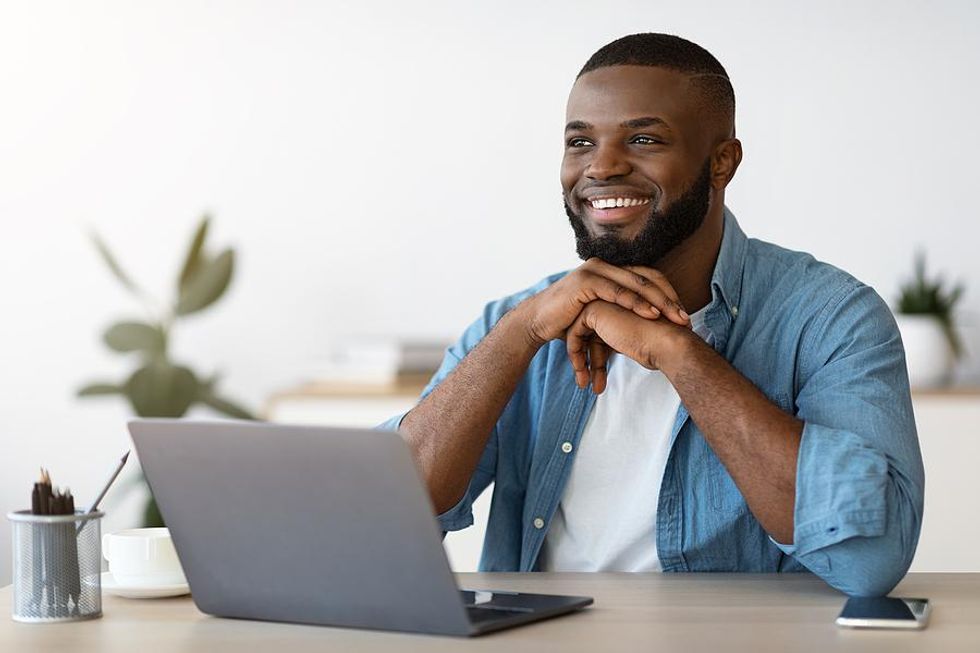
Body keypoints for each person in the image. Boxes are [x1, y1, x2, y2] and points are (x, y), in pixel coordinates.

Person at [380, 33, 924, 597]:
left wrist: (678, 353)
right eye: (580, 142)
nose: (602, 167)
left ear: (721, 162)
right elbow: (385, 527)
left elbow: (870, 562)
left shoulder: (832, 318)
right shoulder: (518, 321)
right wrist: (524, 331)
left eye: (642, 139)